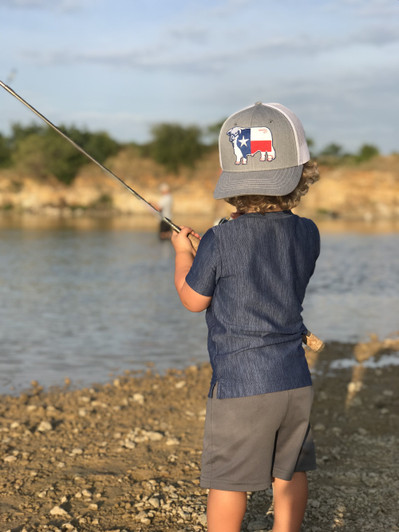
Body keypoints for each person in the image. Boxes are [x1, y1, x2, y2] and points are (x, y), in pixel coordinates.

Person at [171, 102, 320, 532]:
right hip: (293, 380)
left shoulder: (218, 238)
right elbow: (270, 267)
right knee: (289, 472)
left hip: (241, 386)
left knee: (229, 481)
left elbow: (193, 300)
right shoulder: (309, 232)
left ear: (231, 181)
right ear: (296, 177)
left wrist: (185, 256)